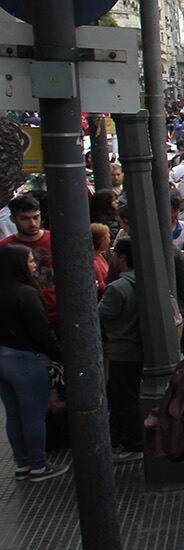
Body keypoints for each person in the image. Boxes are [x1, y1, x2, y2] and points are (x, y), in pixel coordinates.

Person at [0, 244, 64, 481]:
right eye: (30, 261)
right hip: (27, 358)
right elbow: (42, 330)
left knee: (14, 414)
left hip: (3, 357)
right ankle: (38, 465)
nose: (34, 265)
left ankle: (22, 464)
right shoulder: (26, 293)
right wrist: (58, 355)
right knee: (33, 414)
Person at [99, 237, 145, 460]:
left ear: (123, 257)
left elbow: (99, 316)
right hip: (139, 349)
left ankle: (132, 443)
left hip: (121, 350)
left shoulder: (117, 288)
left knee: (123, 398)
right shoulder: (146, 282)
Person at [0, 195, 57, 323]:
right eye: (25, 219)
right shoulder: (5, 248)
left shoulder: (56, 239)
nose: (32, 223)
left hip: (60, 312)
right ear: (13, 219)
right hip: (25, 316)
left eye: (36, 217)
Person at [90, 222, 111, 294]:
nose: (109, 241)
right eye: (108, 238)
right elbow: (101, 287)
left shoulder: (99, 255)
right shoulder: (94, 261)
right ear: (102, 240)